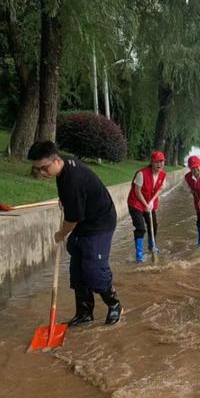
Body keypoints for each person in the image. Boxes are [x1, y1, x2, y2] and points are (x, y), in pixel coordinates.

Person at [27, 140, 122, 326]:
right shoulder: (63, 167)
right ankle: (85, 312)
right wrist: (65, 201)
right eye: (38, 169)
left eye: (44, 168)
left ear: (56, 160)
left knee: (94, 269)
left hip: (100, 222)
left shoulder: (73, 180)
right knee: (77, 267)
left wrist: (60, 234)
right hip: (85, 219)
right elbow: (71, 203)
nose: (42, 173)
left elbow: (72, 220)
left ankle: (115, 304)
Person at [127, 151, 167, 262]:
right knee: (140, 227)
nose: (159, 164)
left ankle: (151, 246)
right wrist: (145, 204)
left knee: (153, 224)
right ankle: (139, 254)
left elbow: (160, 189)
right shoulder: (142, 173)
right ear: (152, 162)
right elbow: (137, 191)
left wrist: (152, 202)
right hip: (136, 203)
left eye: (161, 161)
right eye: (156, 162)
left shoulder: (163, 174)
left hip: (150, 202)